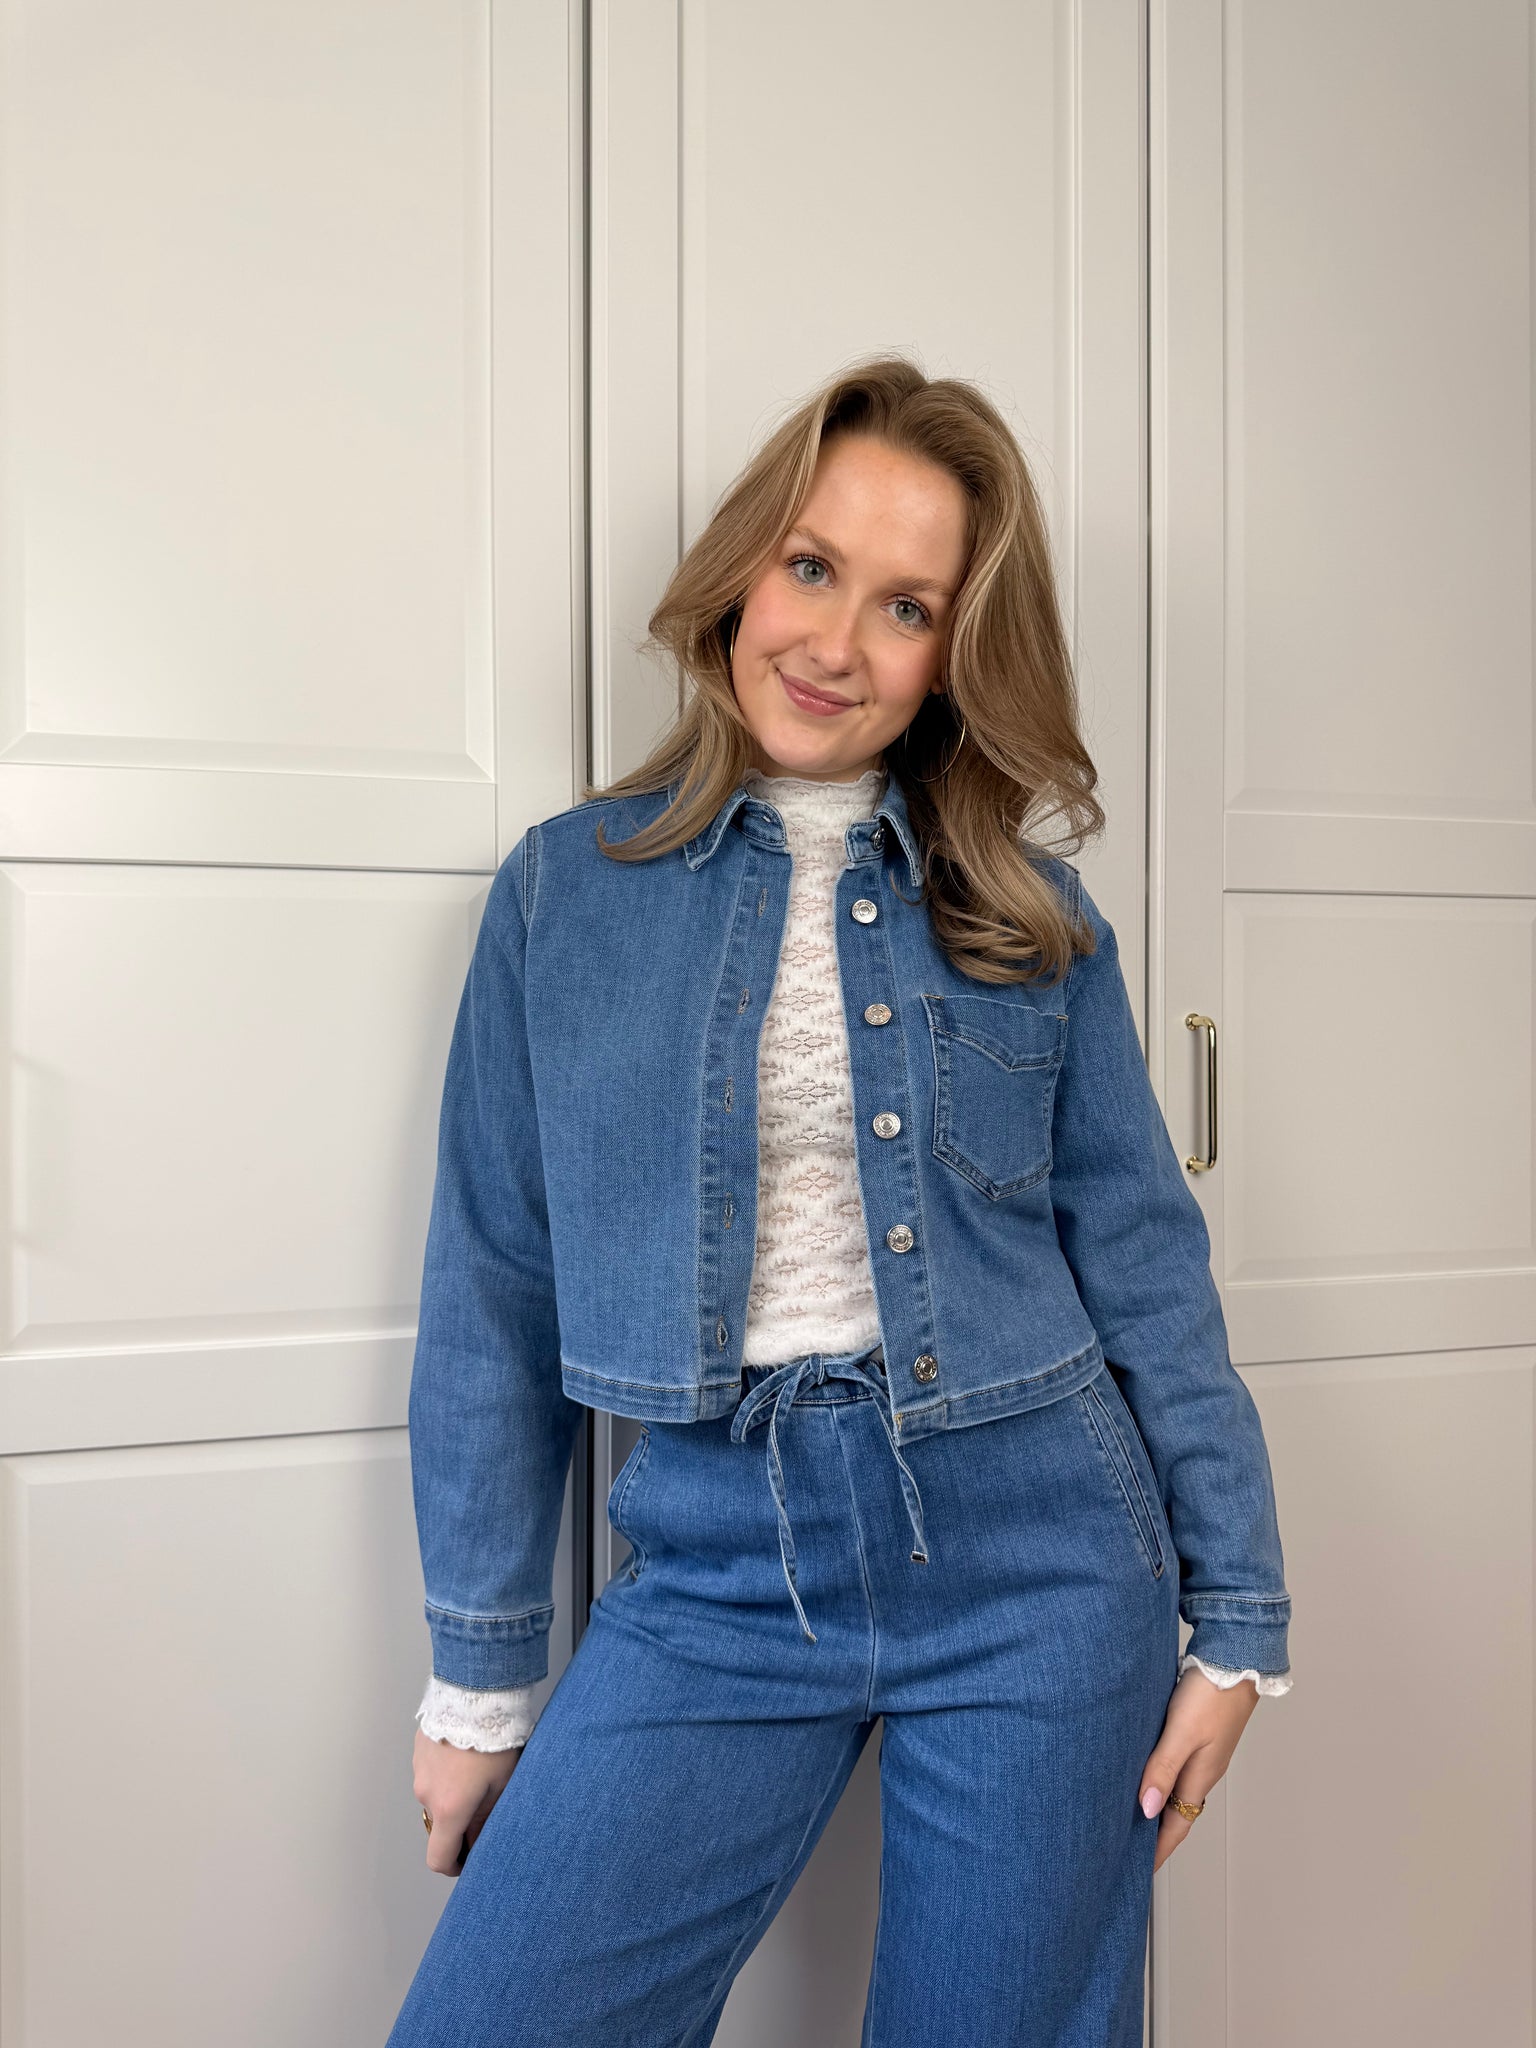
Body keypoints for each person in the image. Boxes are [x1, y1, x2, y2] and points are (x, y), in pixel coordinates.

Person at [385, 356, 1292, 2048]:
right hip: (723, 1559)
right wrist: (482, 1675)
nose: (837, 643)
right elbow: (495, 1286)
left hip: (1043, 1563)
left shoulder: (1033, 916)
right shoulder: (566, 895)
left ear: (954, 654)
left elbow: (1146, 1267)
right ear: (743, 571)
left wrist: (1239, 1620)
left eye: (908, 606)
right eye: (811, 567)